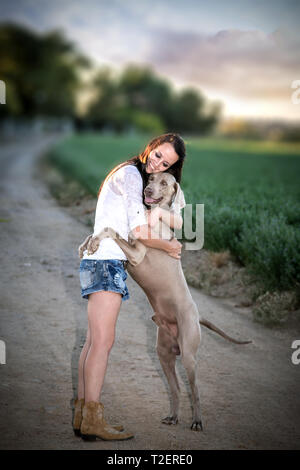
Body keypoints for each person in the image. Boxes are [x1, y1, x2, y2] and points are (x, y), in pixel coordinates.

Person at [73, 133, 186, 441]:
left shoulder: (127, 173)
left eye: (166, 162)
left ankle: (83, 416)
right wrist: (171, 246)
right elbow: (138, 230)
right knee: (103, 343)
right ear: (151, 146)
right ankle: (93, 419)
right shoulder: (131, 175)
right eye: (158, 154)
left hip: (100, 260)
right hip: (107, 262)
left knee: (93, 342)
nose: (158, 162)